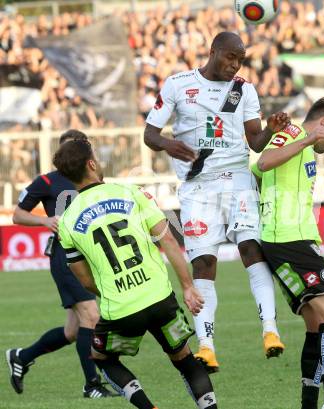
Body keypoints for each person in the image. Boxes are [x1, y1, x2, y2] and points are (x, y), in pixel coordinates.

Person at [144, 31, 289, 373]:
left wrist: (269, 129)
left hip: (238, 181)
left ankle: (270, 330)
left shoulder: (244, 89)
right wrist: (168, 145)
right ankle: (206, 346)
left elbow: (255, 142)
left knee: (252, 250)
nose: (234, 66)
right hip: (198, 188)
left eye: (239, 61)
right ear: (213, 52)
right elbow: (149, 134)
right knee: (204, 265)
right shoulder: (178, 85)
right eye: (229, 58)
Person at [53, 138, 218, 409]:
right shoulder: (132, 193)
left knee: (102, 358)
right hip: (160, 298)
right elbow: (167, 241)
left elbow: (83, 279)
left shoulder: (68, 222)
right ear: (92, 164)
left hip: (120, 309)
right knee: (184, 358)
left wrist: (113, 290)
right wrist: (187, 286)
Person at [253, 97, 324, 409]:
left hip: (285, 238)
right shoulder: (295, 134)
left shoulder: (302, 146)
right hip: (289, 239)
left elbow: (258, 176)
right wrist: (307, 138)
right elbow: (263, 162)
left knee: (316, 324)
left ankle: (310, 404)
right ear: (323, 124)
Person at [5, 129, 113, 398]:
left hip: (89, 256)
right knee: (92, 316)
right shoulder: (45, 181)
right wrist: (44, 220)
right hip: (64, 256)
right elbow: (18, 215)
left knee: (73, 330)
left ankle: (21, 357)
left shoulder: (95, 177)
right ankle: (92, 385)